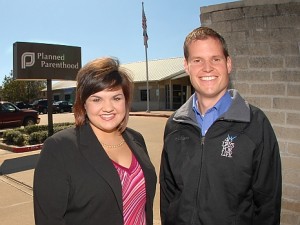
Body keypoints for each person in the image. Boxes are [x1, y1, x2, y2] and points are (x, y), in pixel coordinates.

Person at [160, 27, 282, 225]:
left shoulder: (256, 124)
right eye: (197, 60)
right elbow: (168, 192)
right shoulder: (174, 125)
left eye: (215, 59)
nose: (207, 68)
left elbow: (268, 203)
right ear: (186, 66)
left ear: (228, 63)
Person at [33, 57, 157, 225]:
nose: (108, 107)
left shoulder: (137, 139)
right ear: (84, 103)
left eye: (116, 98)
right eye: (97, 99)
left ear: (126, 100)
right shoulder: (58, 148)